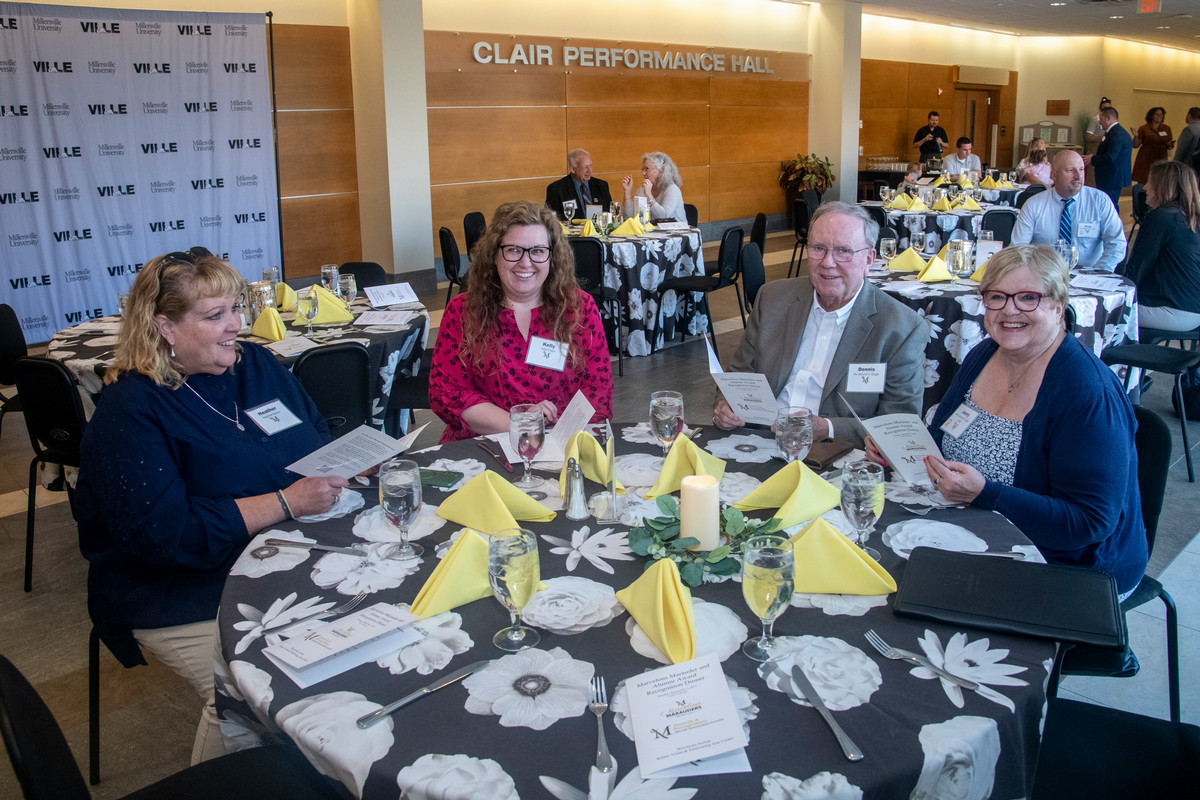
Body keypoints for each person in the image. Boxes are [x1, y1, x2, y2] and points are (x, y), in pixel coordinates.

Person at [75, 247, 347, 763]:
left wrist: (346, 464)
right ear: (165, 328)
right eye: (215, 315)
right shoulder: (131, 409)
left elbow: (312, 436)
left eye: (236, 309)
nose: (235, 325)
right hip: (179, 585)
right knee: (259, 689)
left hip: (281, 554)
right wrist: (285, 502)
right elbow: (165, 534)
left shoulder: (256, 365)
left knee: (353, 641)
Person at [867, 245, 1147, 598]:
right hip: (970, 525)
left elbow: (1088, 523)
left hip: (1069, 566)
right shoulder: (984, 355)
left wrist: (986, 494)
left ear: (1059, 305)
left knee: (906, 597)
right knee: (867, 558)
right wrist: (899, 449)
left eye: (1029, 298)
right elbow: (941, 436)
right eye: (996, 297)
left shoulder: (1086, 392)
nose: (1009, 310)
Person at [713, 201, 925, 447]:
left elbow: (899, 425)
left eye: (843, 251)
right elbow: (738, 376)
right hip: (760, 442)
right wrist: (725, 406)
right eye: (818, 248)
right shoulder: (772, 299)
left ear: (869, 259)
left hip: (837, 454)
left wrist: (828, 428)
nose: (828, 262)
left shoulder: (901, 328)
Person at [429, 200, 613, 443]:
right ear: (494, 255)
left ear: (552, 257)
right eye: (514, 250)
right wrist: (522, 425)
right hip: (481, 445)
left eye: (538, 251)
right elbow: (447, 392)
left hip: (560, 443)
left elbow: (598, 392)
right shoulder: (462, 311)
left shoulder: (579, 309)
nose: (525, 262)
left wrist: (552, 440)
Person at [1011, 150, 1126, 270]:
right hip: (1045, 274)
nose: (1078, 176)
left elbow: (1117, 243)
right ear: (1053, 175)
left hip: (1089, 273)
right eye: (1070, 170)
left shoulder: (1099, 201)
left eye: (1081, 169)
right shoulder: (1034, 205)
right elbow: (1018, 248)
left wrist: (1099, 272)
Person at [1121, 160, 1200, 332]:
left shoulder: (1162, 217)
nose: (1145, 188)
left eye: (1150, 182)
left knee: (1099, 311)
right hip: (1192, 308)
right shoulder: (1189, 216)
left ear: (1163, 186)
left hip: (1172, 310)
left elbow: (1137, 268)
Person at [1083, 106, 1133, 209]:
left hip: (1112, 178)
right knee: (1105, 205)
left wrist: (1092, 159)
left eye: (1101, 119)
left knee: (1110, 206)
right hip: (1109, 177)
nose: (1100, 122)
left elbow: (1110, 157)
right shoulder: (1112, 132)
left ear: (1108, 118)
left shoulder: (1117, 134)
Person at [545, 148, 613, 220]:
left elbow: (610, 214)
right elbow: (551, 220)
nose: (589, 170)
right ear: (573, 169)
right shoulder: (556, 189)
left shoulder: (601, 185)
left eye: (590, 165)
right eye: (585, 167)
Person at [621, 151, 686, 222]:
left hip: (676, 229)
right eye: (643, 169)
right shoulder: (642, 189)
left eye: (647, 169)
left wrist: (649, 195)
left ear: (661, 171)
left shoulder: (672, 189)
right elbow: (629, 217)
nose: (643, 173)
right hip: (653, 229)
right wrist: (627, 192)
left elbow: (664, 217)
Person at [1131, 107, 1174, 186]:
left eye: (1161, 115)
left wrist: (1170, 145)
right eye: (1157, 114)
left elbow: (1169, 144)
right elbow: (1136, 145)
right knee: (1145, 180)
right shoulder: (1144, 128)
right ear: (1151, 116)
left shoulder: (1167, 128)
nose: (1159, 116)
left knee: (1160, 180)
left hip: (1161, 157)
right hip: (1146, 158)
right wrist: (1136, 136)